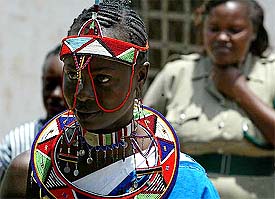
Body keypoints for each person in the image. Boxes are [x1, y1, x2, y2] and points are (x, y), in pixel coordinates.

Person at [0, 1, 219, 198]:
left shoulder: (186, 184)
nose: (82, 93)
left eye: (102, 78)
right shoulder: (29, 176)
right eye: (73, 75)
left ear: (139, 77)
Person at [144, 0, 275, 198]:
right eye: (214, 29)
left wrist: (239, 90)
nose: (222, 37)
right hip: (188, 191)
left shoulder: (271, 75)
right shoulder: (176, 74)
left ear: (254, 32)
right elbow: (142, 134)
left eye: (234, 30)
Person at [0, 45, 66, 183]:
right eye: (50, 85)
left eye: (64, 85)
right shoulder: (17, 140)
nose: (56, 94)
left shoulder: (88, 141)